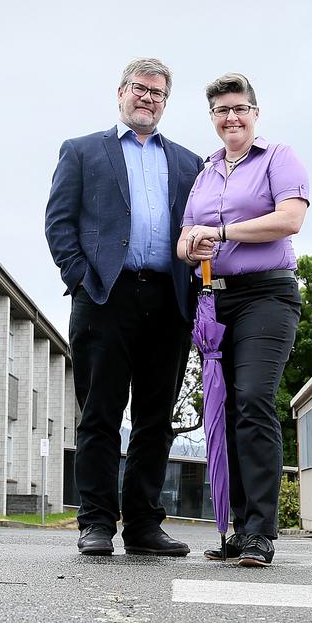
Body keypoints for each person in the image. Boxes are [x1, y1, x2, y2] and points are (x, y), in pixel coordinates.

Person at [45, 58, 203, 557]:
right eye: (140, 89)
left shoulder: (188, 162)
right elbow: (59, 222)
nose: (148, 99)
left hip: (168, 299)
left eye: (158, 93)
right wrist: (81, 279)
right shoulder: (82, 151)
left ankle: (142, 525)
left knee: (157, 419)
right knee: (100, 415)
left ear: (165, 102)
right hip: (104, 298)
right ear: (121, 92)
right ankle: (95, 522)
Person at [178, 72, 309, 567]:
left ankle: (260, 533)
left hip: (267, 296)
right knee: (223, 410)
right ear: (212, 119)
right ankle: (234, 527)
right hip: (215, 300)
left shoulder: (278, 158)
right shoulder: (205, 172)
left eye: (239, 108)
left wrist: (224, 230)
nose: (231, 117)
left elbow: (289, 219)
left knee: (253, 400)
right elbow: (184, 241)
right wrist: (195, 245)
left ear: (255, 112)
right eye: (221, 111)